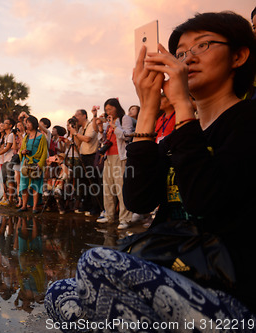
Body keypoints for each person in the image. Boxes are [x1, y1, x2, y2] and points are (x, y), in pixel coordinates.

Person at [45, 11, 256, 329]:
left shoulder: (248, 120)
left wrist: (184, 106)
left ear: (238, 56)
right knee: (59, 292)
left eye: (202, 46)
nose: (188, 59)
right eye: (181, 53)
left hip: (229, 291)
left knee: (97, 262)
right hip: (174, 272)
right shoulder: (176, 138)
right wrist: (148, 109)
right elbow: (139, 200)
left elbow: (205, 203)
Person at [97, 98, 134, 229]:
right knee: (108, 188)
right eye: (106, 110)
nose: (108, 112)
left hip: (120, 157)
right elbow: (103, 141)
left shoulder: (125, 119)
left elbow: (127, 135)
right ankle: (109, 215)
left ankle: (125, 219)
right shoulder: (108, 123)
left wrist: (114, 126)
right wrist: (101, 129)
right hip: (108, 157)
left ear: (116, 107)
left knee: (120, 187)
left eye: (110, 109)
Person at [70, 107, 103, 217]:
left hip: (92, 157)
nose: (76, 117)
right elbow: (78, 144)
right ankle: (87, 205)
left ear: (84, 115)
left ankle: (96, 207)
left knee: (93, 183)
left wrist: (75, 133)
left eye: (77, 115)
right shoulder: (80, 129)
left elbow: (88, 139)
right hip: (83, 156)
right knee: (84, 182)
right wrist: (73, 132)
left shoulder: (90, 125)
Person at [17, 116, 47, 214]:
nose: (27, 125)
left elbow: (44, 152)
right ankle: (24, 205)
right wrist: (23, 152)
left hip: (36, 164)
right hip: (26, 163)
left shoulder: (41, 136)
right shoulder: (26, 137)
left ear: (34, 123)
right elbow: (21, 150)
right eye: (26, 123)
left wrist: (40, 164)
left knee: (36, 184)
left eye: (29, 123)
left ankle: (34, 206)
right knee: (24, 184)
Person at [0, 118, 16, 206]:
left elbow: (8, 147)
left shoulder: (11, 135)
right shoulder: (5, 136)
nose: (4, 125)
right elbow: (4, 147)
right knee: (3, 180)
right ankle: (5, 198)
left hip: (10, 159)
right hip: (5, 159)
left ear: (10, 125)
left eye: (6, 123)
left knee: (10, 180)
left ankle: (10, 199)